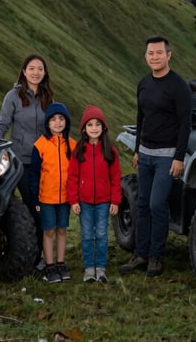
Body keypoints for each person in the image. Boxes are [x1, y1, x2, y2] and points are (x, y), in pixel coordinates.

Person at [120, 35, 192, 277]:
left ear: (168, 55)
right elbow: (141, 119)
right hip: (146, 155)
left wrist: (179, 157)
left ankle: (156, 257)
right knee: (142, 204)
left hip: (167, 156)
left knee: (156, 204)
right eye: (150, 53)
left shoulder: (179, 86)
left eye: (159, 53)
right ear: (146, 56)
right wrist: (138, 149)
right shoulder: (143, 84)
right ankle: (140, 254)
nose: (154, 57)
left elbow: (185, 124)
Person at [0, 53, 54, 268]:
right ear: (24, 71)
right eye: (32, 68)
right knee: (32, 207)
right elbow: (2, 124)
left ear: (44, 73)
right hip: (20, 161)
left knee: (42, 208)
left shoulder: (47, 96)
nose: (36, 72)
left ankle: (39, 256)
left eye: (40, 69)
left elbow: (52, 128)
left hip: (44, 161)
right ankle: (33, 258)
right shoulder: (13, 96)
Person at [67, 105, 122, 283]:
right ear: (84, 128)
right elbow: (73, 177)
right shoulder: (79, 151)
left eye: (97, 124)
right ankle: (89, 268)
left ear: (103, 127)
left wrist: (115, 200)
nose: (94, 128)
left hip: (104, 202)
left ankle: (101, 268)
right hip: (84, 202)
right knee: (86, 235)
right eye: (90, 124)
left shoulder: (110, 151)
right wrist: (73, 200)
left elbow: (115, 177)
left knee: (101, 234)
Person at [30, 102, 75, 283]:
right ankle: (49, 266)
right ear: (47, 123)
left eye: (61, 119)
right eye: (54, 119)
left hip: (65, 198)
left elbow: (76, 173)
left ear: (66, 122)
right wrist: (35, 199)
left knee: (62, 230)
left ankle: (61, 263)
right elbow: (34, 174)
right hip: (46, 198)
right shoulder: (39, 145)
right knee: (48, 231)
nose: (57, 123)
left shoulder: (72, 145)